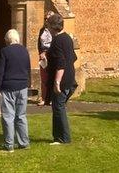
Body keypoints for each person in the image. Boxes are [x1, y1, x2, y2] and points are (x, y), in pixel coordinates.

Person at [0, 29, 31, 152]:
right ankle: (24, 142)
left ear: (7, 40)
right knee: (21, 115)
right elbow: (28, 68)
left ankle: (9, 145)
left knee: (8, 116)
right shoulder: (25, 50)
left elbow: (1, 71)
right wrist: (28, 83)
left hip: (8, 87)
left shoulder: (4, 52)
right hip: (22, 86)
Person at [45, 13, 77, 145]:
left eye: (48, 27)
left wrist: (57, 83)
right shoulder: (67, 38)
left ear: (53, 27)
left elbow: (61, 64)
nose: (48, 29)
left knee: (59, 108)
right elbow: (74, 57)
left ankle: (64, 138)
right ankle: (58, 137)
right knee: (59, 107)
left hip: (62, 81)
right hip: (70, 79)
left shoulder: (57, 41)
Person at [37, 10, 55, 105]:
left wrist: (47, 53)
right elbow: (39, 44)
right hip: (43, 56)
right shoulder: (42, 30)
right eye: (45, 18)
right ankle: (44, 98)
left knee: (52, 77)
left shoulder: (55, 31)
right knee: (44, 78)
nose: (46, 20)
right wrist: (41, 53)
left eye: (49, 19)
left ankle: (52, 99)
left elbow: (55, 44)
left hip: (51, 55)